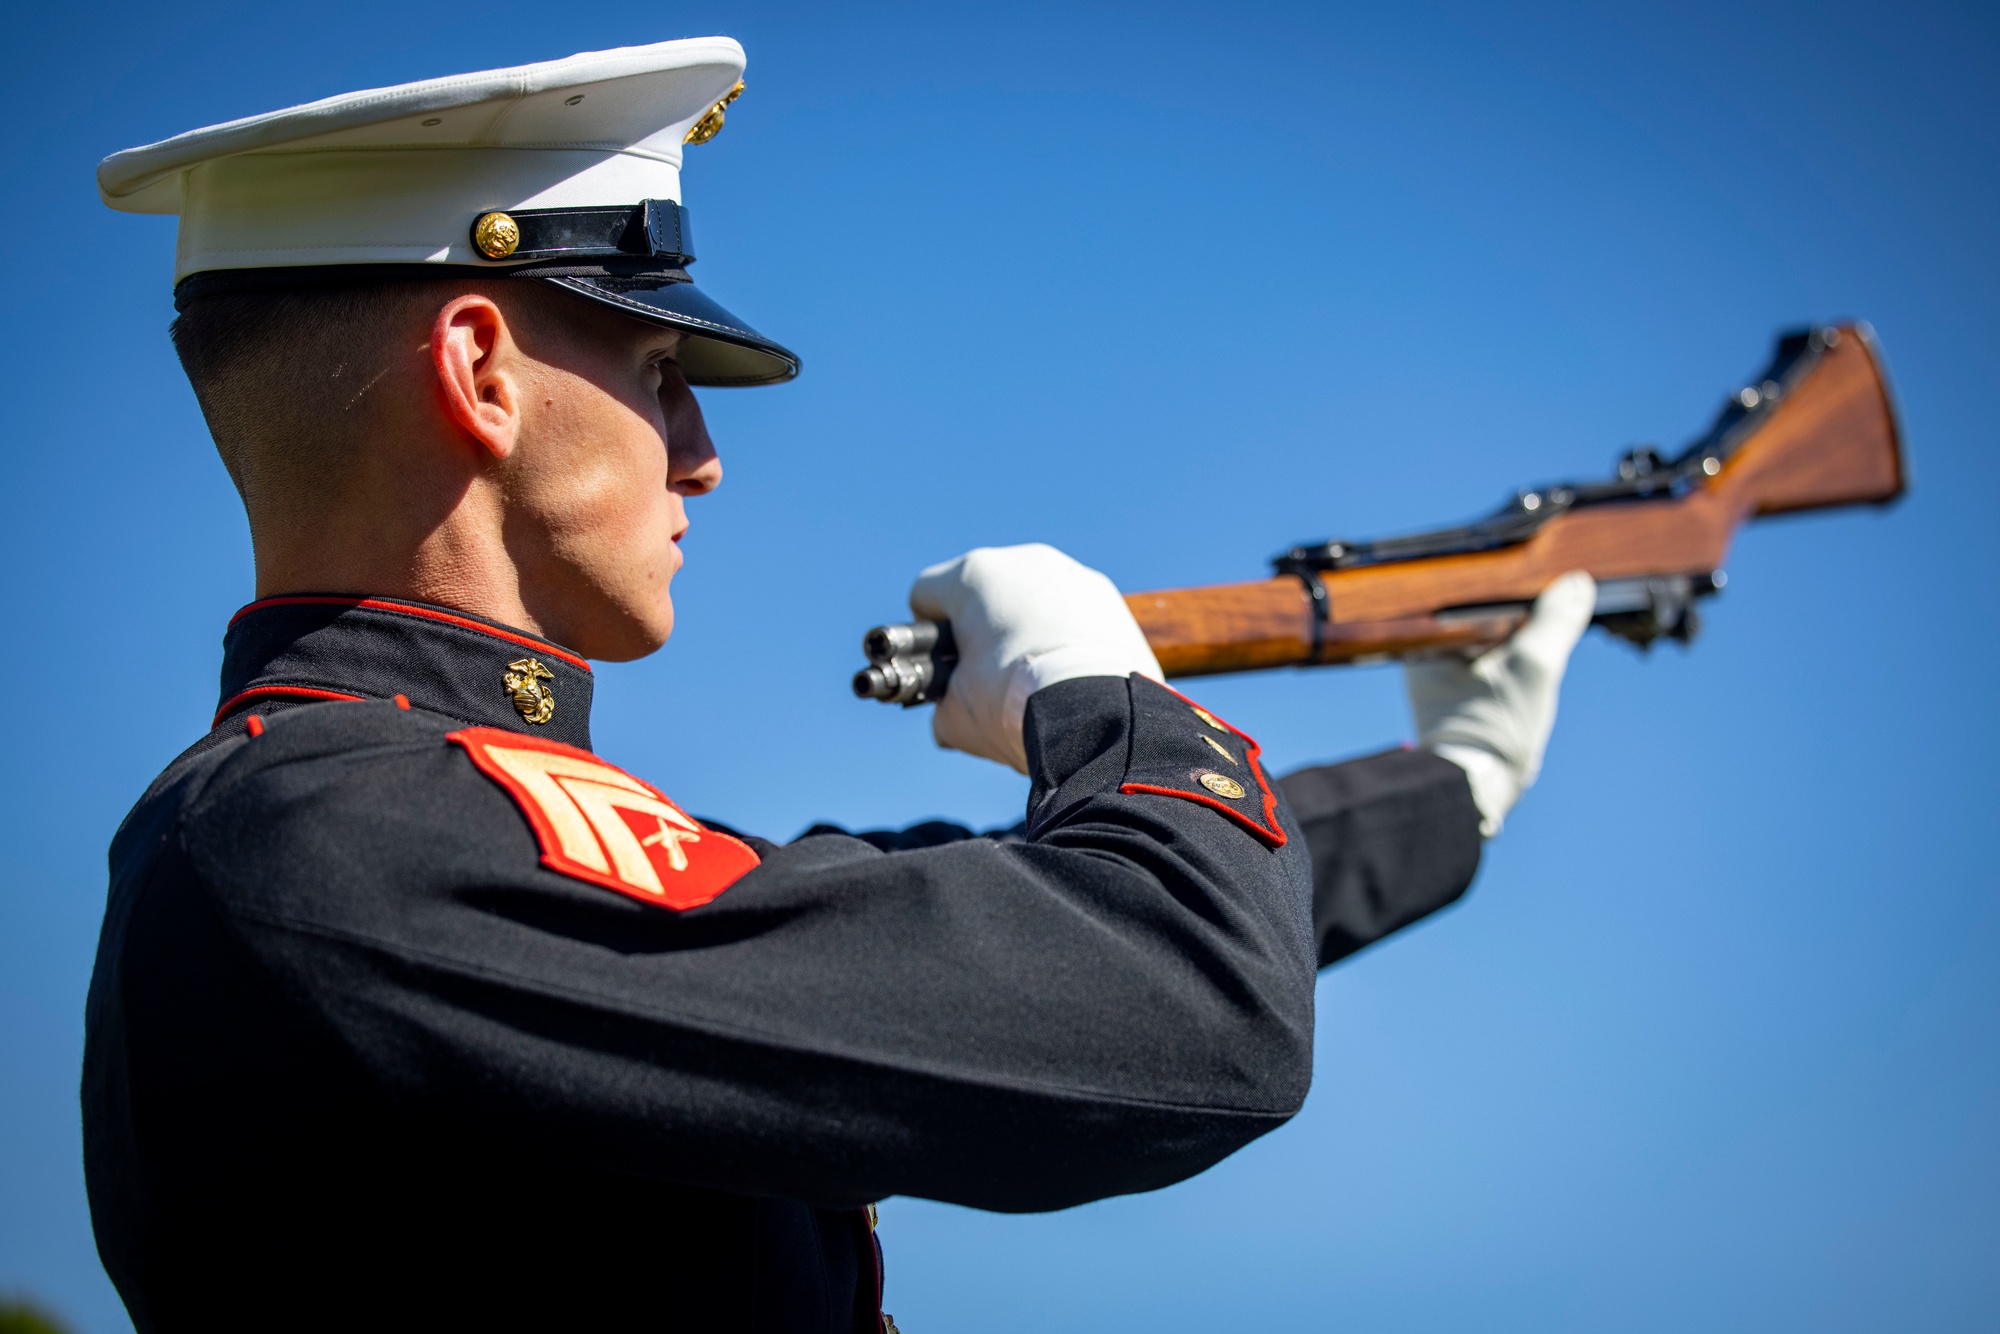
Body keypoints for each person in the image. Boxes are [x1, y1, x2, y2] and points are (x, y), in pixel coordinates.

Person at [81, 37, 1594, 1334]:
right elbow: (1195, 1008)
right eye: (662, 371)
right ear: (480, 372)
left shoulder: (375, 829)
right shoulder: (328, 840)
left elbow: (985, 942)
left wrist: (1453, 787)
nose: (704, 453)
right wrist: (1099, 698)